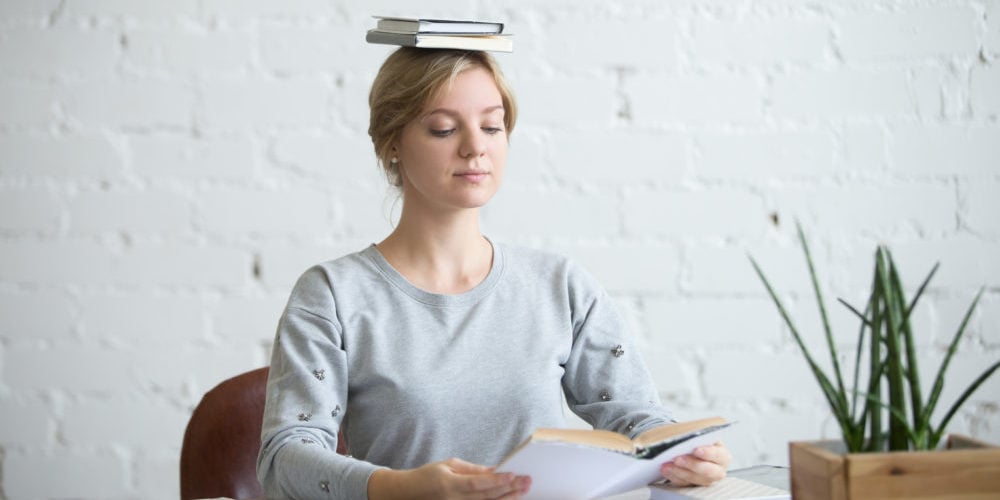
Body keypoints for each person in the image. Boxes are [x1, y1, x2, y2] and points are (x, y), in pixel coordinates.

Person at [257, 46, 731, 499]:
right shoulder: (333, 295)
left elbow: (637, 418)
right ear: (391, 144)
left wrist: (681, 456)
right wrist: (397, 490)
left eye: (492, 126)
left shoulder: (560, 285)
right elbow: (285, 458)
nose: (474, 148)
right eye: (444, 129)